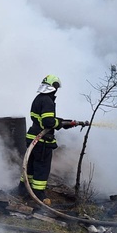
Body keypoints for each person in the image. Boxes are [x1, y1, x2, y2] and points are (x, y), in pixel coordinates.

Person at [18, 75, 78, 205]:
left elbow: (43, 119)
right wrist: (60, 123)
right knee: (41, 168)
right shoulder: (47, 101)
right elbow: (48, 121)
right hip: (42, 141)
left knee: (30, 167)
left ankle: (23, 191)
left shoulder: (39, 98)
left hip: (32, 137)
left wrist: (63, 122)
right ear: (54, 88)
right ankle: (38, 196)